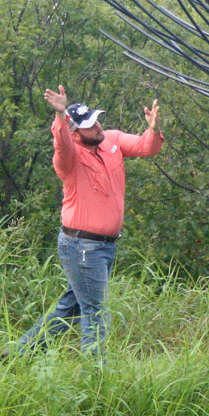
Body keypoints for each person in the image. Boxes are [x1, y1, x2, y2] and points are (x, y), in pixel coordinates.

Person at [15, 84, 162, 357]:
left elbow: (145, 147)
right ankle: (96, 378)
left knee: (71, 308)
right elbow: (61, 144)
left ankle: (18, 355)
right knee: (95, 312)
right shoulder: (69, 158)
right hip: (83, 246)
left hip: (103, 246)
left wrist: (153, 130)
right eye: (89, 125)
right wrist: (60, 116)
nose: (97, 127)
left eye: (96, 120)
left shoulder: (111, 141)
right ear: (75, 132)